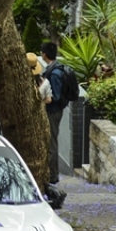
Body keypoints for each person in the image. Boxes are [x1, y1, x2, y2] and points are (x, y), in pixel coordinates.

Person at [40, 42, 72, 184]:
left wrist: (46, 97)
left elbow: (56, 96)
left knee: (52, 142)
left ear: (44, 54)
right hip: (54, 110)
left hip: (53, 111)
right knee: (50, 141)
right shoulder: (53, 69)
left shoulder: (55, 72)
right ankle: (51, 173)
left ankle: (53, 175)